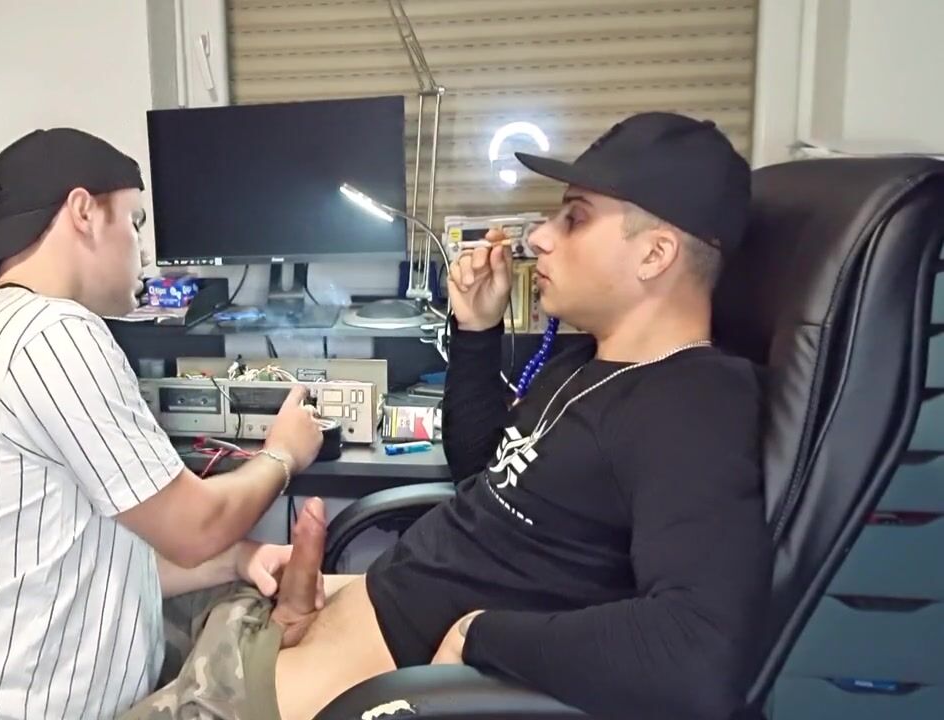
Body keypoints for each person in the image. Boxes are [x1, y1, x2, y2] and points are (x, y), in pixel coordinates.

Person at [126, 112, 773, 720]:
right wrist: (477, 330)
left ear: (655, 255)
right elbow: (482, 472)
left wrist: (478, 635)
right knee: (129, 615)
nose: (539, 237)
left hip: (291, 696)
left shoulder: (693, 406)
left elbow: (698, 648)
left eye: (574, 218)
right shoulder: (589, 363)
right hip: (303, 624)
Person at [0, 128, 325, 720]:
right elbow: (194, 526)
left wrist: (236, 560)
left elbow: (82, 563)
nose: (142, 251)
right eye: (134, 221)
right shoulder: (55, 333)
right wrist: (283, 454)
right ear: (84, 212)